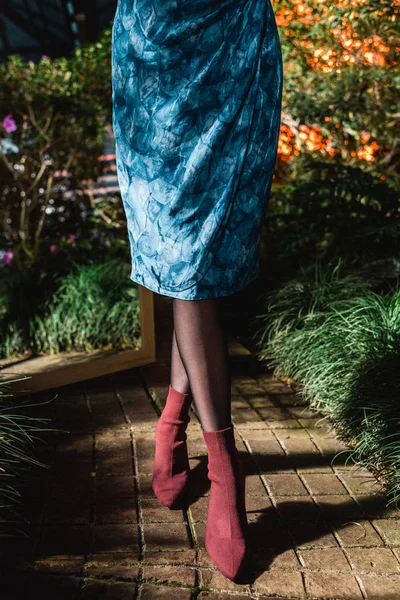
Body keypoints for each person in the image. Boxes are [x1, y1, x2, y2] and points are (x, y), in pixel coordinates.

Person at [111, 0, 283, 582]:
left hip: (233, 39)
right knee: (182, 258)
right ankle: (220, 463)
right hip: (156, 49)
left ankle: (181, 427)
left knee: (203, 263)